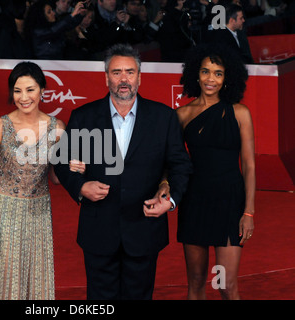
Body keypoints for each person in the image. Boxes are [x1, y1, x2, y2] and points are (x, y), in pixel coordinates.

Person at [53, 43, 192, 300]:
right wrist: (80, 187)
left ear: (140, 76)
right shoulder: (84, 117)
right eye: (117, 72)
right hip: (98, 230)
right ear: (106, 77)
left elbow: (180, 164)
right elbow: (61, 161)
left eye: (130, 72)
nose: (124, 79)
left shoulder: (164, 117)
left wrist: (170, 200)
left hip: (144, 229)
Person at [0, 61, 84, 300]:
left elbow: (54, 177)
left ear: (42, 90)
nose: (24, 97)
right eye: (18, 90)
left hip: (39, 212)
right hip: (6, 211)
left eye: (30, 89)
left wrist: (73, 169)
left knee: (38, 278)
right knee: (7, 278)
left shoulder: (58, 129)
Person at [177, 43, 255, 300]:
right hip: (195, 201)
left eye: (218, 73)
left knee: (225, 284)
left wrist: (248, 211)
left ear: (227, 77)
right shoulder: (182, 114)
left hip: (229, 202)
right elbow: (172, 161)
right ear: (195, 74)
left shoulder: (240, 113)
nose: (211, 79)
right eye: (206, 71)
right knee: (197, 283)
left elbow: (249, 165)